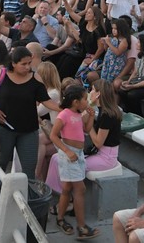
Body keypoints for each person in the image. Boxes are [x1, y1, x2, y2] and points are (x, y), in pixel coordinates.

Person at [0, 46, 59, 180]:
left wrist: (63, 109)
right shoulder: (1, 74)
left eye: (29, 63)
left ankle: (27, 192)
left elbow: (46, 100)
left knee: (29, 167)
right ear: (13, 63)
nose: (27, 67)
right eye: (23, 64)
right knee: (1, 163)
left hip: (28, 130)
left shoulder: (35, 78)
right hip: (4, 127)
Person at [48, 84, 99, 240]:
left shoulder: (78, 114)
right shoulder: (64, 115)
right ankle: (81, 227)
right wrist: (67, 151)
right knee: (80, 189)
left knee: (67, 188)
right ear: (75, 102)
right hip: (69, 156)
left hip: (78, 155)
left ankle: (60, 218)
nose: (87, 101)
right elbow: (53, 135)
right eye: (85, 99)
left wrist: (91, 116)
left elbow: (86, 129)